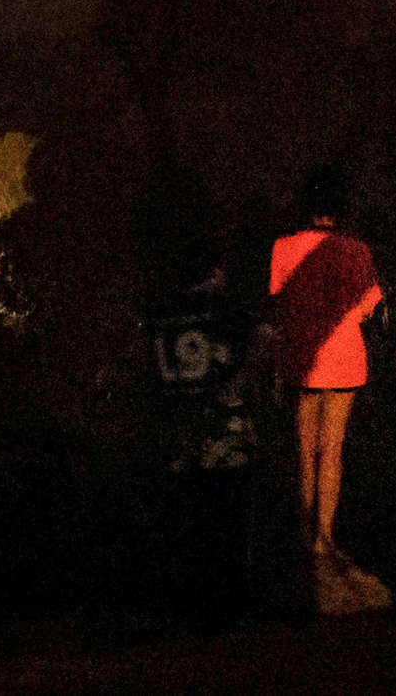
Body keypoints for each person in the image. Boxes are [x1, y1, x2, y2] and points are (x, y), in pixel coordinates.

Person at [268, 165, 390, 613]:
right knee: (333, 450)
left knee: (305, 448)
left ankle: (306, 536)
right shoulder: (357, 250)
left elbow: (280, 299)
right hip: (345, 357)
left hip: (303, 355)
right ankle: (326, 538)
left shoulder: (283, 247)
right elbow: (369, 307)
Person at [147, 239, 258, 623]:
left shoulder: (160, 312)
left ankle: (189, 601)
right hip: (222, 429)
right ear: (214, 271)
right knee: (227, 516)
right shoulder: (225, 309)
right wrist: (240, 383)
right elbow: (261, 339)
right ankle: (229, 603)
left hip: (179, 429)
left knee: (187, 517)